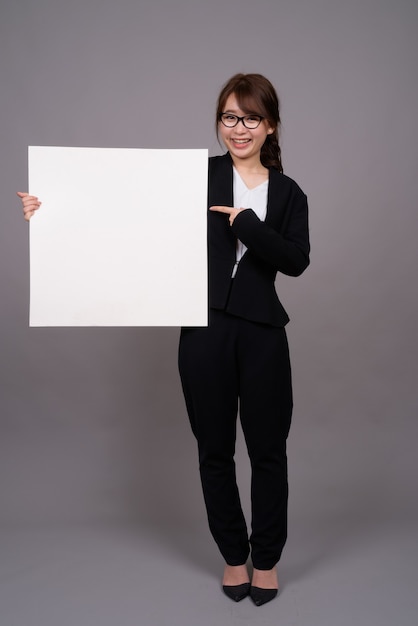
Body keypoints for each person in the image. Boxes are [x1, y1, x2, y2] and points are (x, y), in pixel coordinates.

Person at [18, 73, 310, 607]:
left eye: (249, 118)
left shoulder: (289, 193)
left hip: (265, 335)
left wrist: (246, 223)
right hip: (202, 330)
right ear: (218, 122)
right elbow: (126, 218)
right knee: (213, 450)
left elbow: (296, 261)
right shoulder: (196, 177)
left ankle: (265, 561)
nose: (237, 128)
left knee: (269, 452)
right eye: (227, 116)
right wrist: (51, 212)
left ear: (270, 126)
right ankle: (232, 556)